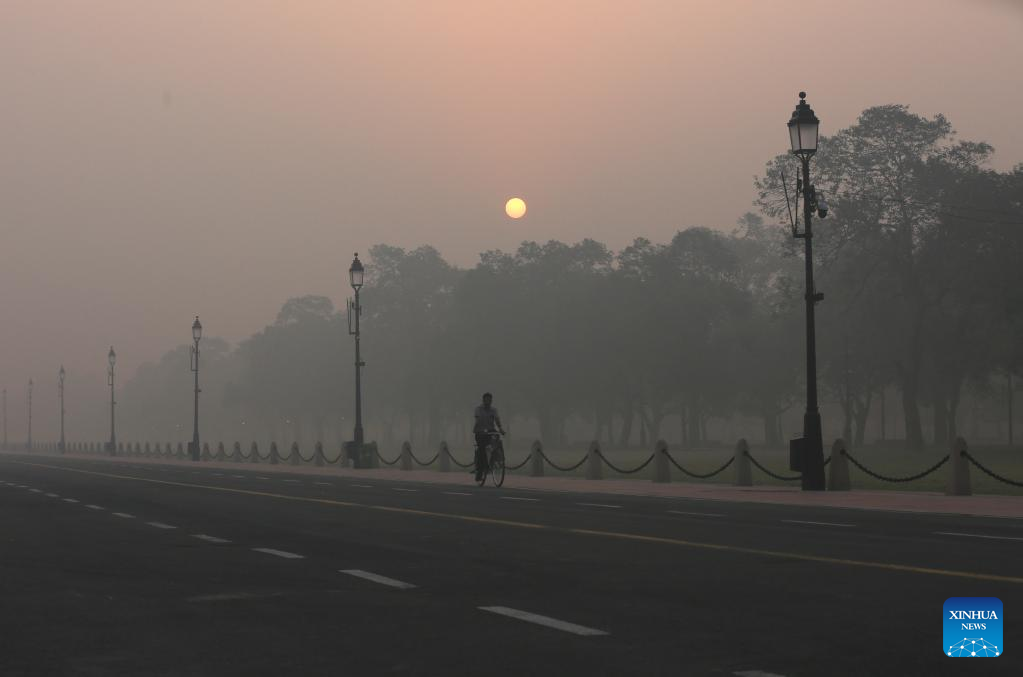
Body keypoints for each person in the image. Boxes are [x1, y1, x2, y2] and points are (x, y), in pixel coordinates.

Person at [473, 392, 505, 481]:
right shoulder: (478, 409)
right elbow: (477, 420)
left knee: (497, 441)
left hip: (490, 431)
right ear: (483, 400)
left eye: (490, 400)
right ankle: (480, 471)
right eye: (486, 399)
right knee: (482, 449)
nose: (488, 401)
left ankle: (497, 458)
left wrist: (500, 429)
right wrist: (475, 429)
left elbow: (497, 419)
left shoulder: (493, 410)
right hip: (480, 432)